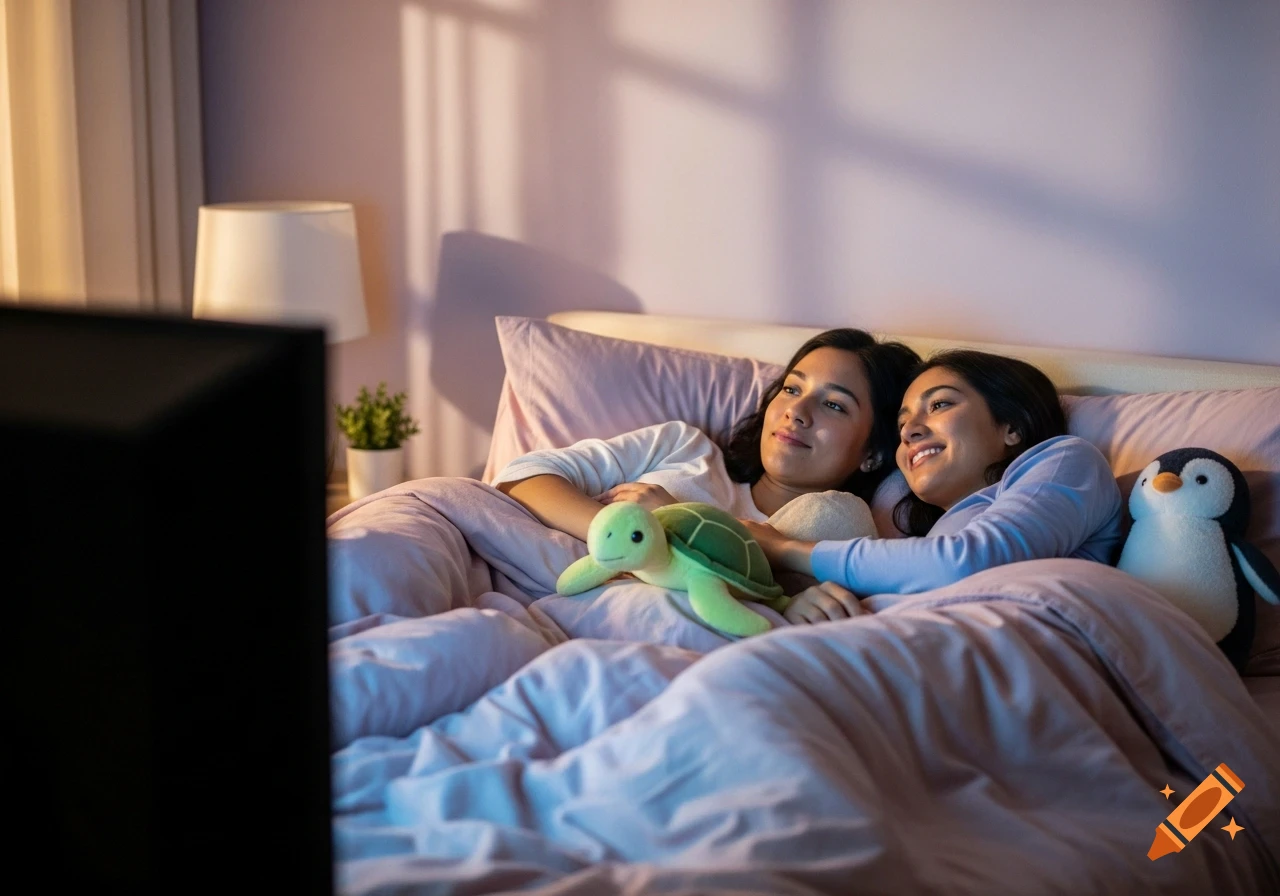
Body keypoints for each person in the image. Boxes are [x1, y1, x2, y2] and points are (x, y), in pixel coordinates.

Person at [744, 349, 1124, 625]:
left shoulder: (1067, 460)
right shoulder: (912, 551)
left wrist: (785, 548)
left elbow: (969, 562)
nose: (910, 430)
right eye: (902, 424)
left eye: (939, 405)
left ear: (1012, 426)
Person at [494, 328, 922, 544]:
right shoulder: (685, 447)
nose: (796, 410)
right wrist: (625, 530)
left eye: (834, 405)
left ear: (873, 452)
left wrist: (679, 524)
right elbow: (523, 476)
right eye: (792, 388)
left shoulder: (836, 538)